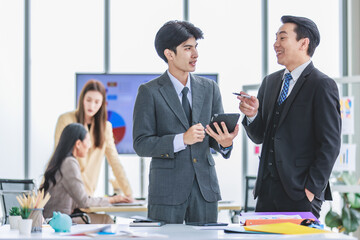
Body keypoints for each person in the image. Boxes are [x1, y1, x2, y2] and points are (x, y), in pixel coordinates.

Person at [133, 20, 239, 224]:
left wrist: (225, 144)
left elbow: (216, 138)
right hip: (166, 192)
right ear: (169, 54)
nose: (195, 55)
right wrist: (182, 139)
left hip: (205, 191)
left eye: (196, 47)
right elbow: (141, 144)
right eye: (187, 48)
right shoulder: (149, 92)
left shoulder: (210, 88)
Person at [238, 15, 341, 218]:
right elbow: (260, 136)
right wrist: (253, 115)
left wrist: (311, 189)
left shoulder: (322, 84)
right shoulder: (270, 82)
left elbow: (330, 144)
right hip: (266, 192)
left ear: (303, 43)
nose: (275, 44)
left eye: (282, 38)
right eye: (275, 38)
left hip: (301, 193)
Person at [53, 80, 133, 199]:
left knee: (106, 218)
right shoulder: (66, 119)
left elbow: (114, 161)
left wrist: (129, 193)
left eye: (97, 102)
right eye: (88, 100)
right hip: (63, 188)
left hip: (87, 192)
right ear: (82, 99)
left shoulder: (105, 127)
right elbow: (60, 155)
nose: (92, 106)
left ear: (102, 104)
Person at [41, 123, 131, 224]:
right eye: (88, 141)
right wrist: (112, 200)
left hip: (55, 218)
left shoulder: (61, 161)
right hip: (60, 220)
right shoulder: (69, 163)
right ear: (78, 144)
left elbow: (77, 200)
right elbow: (84, 202)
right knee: (106, 219)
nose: (89, 146)